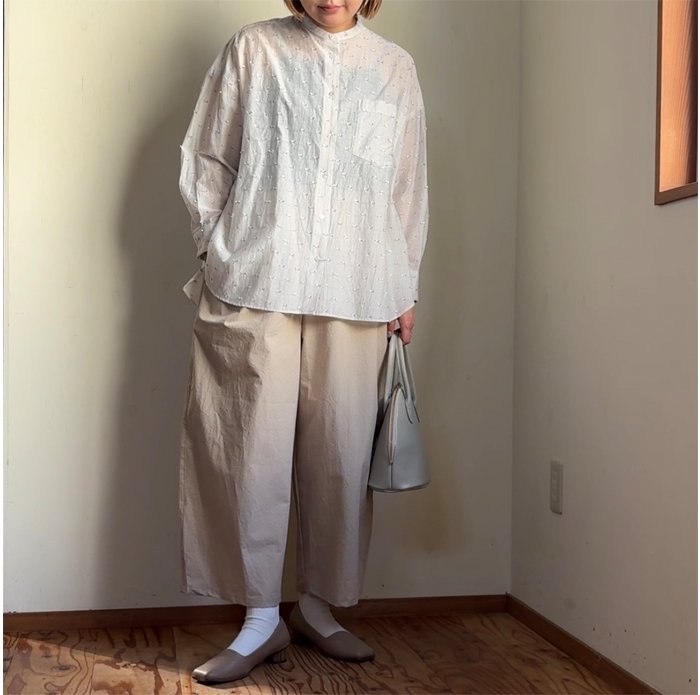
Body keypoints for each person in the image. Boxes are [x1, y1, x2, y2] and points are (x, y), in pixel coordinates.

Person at [177, 0, 429, 684]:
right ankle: (261, 618)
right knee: (247, 452)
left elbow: (405, 188)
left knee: (340, 455)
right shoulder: (254, 50)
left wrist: (403, 286)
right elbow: (208, 156)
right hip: (257, 279)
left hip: (359, 288)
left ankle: (317, 607)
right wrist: (215, 251)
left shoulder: (394, 68)